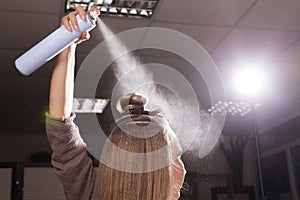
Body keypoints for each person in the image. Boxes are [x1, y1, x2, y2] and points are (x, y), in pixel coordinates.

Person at [45, 5, 186, 200]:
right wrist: (68, 43)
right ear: (152, 171)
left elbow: (61, 133)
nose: (183, 169)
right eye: (176, 158)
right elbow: (61, 129)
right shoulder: (93, 192)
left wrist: (68, 46)